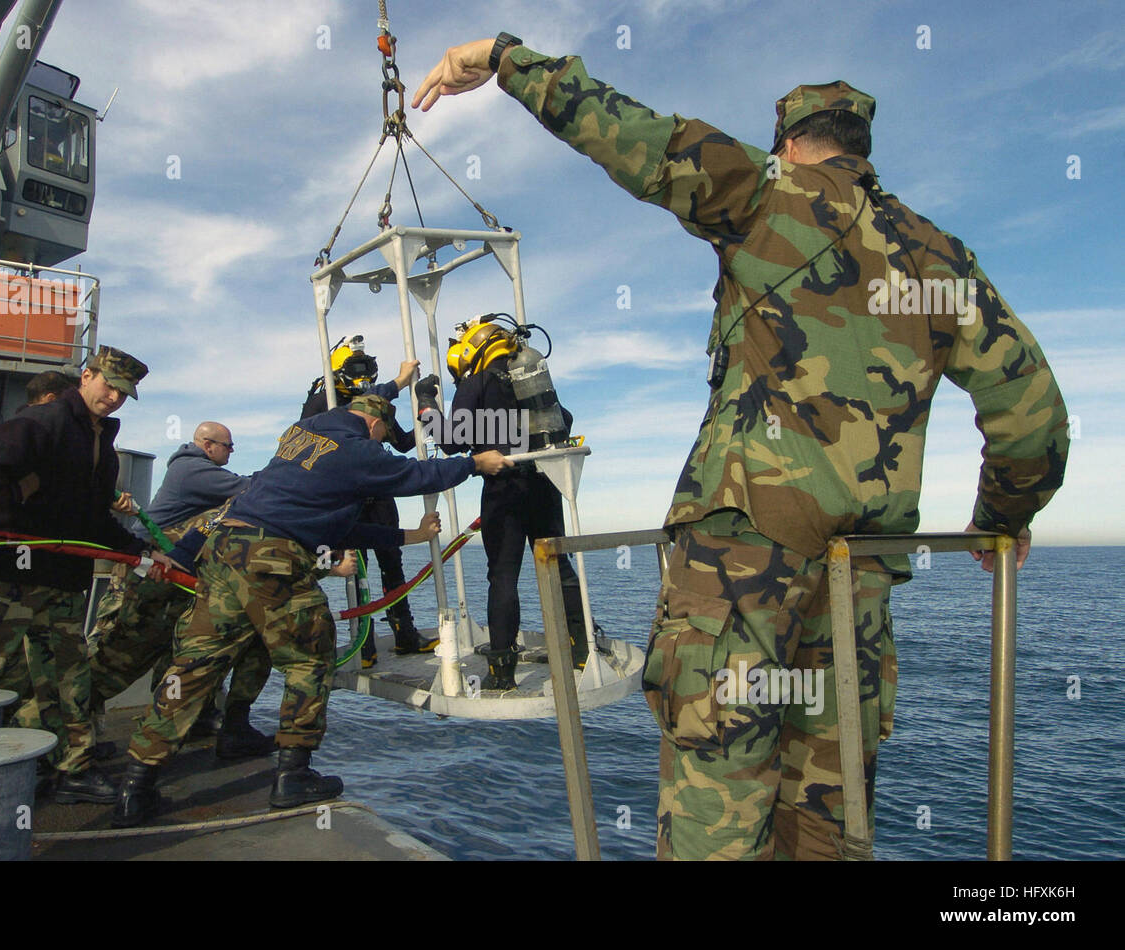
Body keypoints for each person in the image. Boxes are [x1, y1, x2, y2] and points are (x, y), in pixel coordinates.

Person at [413, 39, 1069, 859]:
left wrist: (507, 62)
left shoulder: (767, 197)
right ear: (861, 148)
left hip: (739, 574)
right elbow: (1032, 416)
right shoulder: (941, 260)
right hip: (856, 582)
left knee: (716, 810)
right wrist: (1001, 517)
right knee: (830, 815)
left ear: (790, 144)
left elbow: (632, 138)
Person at [112, 393, 513, 826]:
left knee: (194, 666)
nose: (382, 443)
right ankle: (293, 775)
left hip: (225, 550)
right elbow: (413, 474)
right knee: (310, 658)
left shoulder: (298, 441)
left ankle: (136, 784)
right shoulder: (356, 448)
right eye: (383, 435)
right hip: (271, 558)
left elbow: (335, 525)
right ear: (374, 424)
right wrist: (474, 464)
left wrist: (408, 536)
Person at [0, 346, 172, 805]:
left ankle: (67, 768)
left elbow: (90, 519)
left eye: (123, 393)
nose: (113, 398)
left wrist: (143, 551)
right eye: (108, 385)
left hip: (59, 579)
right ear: (87, 376)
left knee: (65, 677)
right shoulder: (44, 421)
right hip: (2, 575)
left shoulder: (100, 443)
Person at [416, 317, 591, 690]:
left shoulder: (477, 381)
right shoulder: (526, 374)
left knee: (504, 574)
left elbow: (449, 441)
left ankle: (502, 671)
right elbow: (566, 418)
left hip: (504, 486)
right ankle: (579, 650)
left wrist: (427, 403)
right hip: (544, 480)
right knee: (558, 566)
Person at [87, 421, 265, 759]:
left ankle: (191, 716)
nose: (230, 452)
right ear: (208, 444)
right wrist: (288, 473)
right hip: (147, 571)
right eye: (228, 447)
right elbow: (248, 488)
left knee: (174, 644)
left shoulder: (195, 469)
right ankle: (73, 727)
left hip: (170, 572)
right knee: (122, 649)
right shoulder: (193, 470)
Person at [300, 336, 435, 665]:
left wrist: (427, 415)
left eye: (368, 369)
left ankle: (405, 634)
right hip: (348, 498)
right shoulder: (323, 403)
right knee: (356, 568)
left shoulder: (373, 405)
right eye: (356, 368)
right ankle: (365, 644)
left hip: (379, 496)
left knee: (393, 566)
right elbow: (305, 436)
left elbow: (402, 443)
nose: (364, 376)